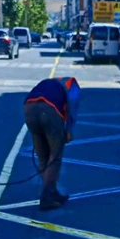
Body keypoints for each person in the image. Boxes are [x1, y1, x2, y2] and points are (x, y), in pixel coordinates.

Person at [24, 77, 80, 211]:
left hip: (29, 108)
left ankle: (51, 192)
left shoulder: (48, 82)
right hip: (50, 109)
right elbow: (73, 105)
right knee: (55, 156)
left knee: (42, 156)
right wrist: (69, 130)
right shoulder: (73, 85)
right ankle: (47, 197)